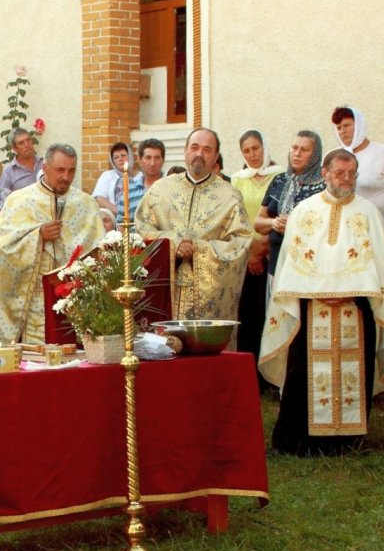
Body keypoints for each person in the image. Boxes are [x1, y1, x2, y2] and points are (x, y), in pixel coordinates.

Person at [259, 149, 384, 455]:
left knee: (353, 372)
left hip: (355, 308)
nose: (346, 179)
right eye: (340, 173)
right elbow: (291, 263)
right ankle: (300, 439)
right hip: (311, 310)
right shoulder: (304, 211)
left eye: (352, 174)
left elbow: (378, 264)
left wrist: (355, 291)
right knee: (302, 374)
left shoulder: (368, 213)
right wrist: (317, 291)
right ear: (325, 173)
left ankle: (346, 440)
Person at [0, 144, 105, 345]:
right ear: (45, 167)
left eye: (71, 171)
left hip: (74, 300)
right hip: (32, 298)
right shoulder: (20, 201)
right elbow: (2, 249)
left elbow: (98, 251)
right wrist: (38, 236)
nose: (66, 177)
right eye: (60, 170)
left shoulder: (86, 204)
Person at [134, 128, 252, 324]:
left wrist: (198, 249)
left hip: (208, 299)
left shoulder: (230, 196)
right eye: (194, 147)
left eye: (207, 149)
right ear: (185, 151)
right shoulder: (160, 190)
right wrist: (173, 243)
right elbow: (141, 228)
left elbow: (241, 243)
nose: (199, 154)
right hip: (165, 291)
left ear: (216, 157)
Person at [231, 130, 284, 370]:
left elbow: (282, 213)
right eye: (246, 150)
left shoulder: (281, 176)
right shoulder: (237, 180)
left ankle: (272, 371)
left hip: (274, 253)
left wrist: (265, 246)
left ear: (265, 147)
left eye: (256, 148)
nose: (252, 155)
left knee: (272, 312)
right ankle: (250, 373)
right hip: (246, 255)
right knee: (249, 314)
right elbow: (235, 218)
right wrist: (252, 251)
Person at [255, 130, 325, 279]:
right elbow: (258, 223)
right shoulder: (280, 181)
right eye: (294, 148)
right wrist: (275, 222)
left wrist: (294, 225)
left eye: (304, 150)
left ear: (315, 155)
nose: (297, 153)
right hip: (276, 261)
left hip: (308, 266)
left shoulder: (324, 187)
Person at [332, 106, 384, 232]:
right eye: (339, 128)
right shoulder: (333, 157)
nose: (342, 131)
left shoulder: (382, 152)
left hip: (380, 230)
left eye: (347, 125)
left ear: (359, 125)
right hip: (345, 232)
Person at [91, 142, 131, 223]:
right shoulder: (107, 175)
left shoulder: (140, 176)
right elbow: (99, 198)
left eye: (123, 155)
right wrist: (119, 213)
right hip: (113, 217)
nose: (120, 159)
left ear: (130, 157)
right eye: (116, 157)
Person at [0, 127, 43, 193]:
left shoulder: (45, 163)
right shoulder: (8, 173)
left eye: (28, 140)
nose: (27, 145)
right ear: (14, 148)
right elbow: (3, 198)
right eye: (21, 143)